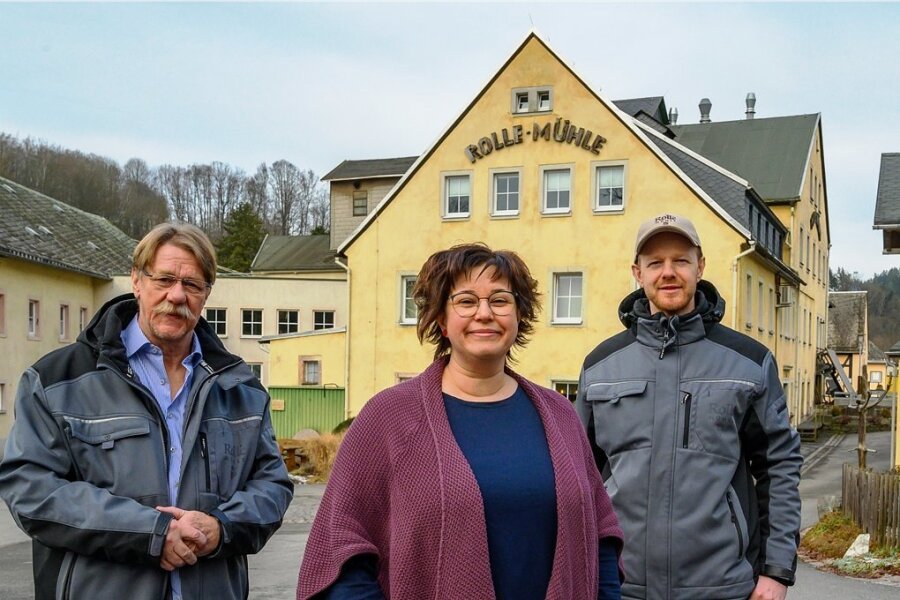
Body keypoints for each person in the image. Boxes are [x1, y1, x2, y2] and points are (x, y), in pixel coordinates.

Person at [297, 243, 624, 600]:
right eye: (466, 301)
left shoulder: (560, 416)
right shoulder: (388, 419)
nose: (484, 313)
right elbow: (343, 547)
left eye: (500, 300)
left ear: (519, 315)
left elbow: (600, 537)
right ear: (441, 319)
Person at [0, 223, 293, 600]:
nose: (177, 295)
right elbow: (30, 489)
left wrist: (222, 527)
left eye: (192, 284)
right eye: (165, 279)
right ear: (137, 281)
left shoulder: (240, 389)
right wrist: (151, 532)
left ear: (206, 294)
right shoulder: (57, 380)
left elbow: (272, 485)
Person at [576, 214, 802, 600]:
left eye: (680, 260)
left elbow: (778, 467)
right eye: (655, 263)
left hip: (722, 585)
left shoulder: (748, 362)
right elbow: (577, 477)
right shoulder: (600, 366)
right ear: (638, 272)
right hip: (620, 586)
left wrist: (776, 571)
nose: (668, 272)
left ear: (700, 266)